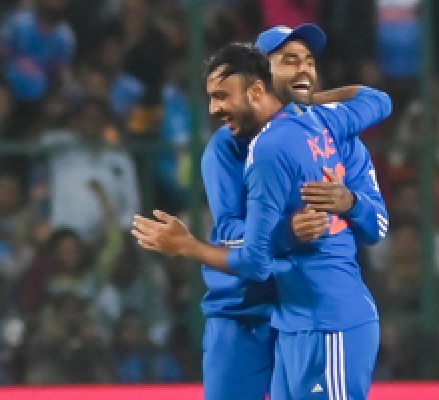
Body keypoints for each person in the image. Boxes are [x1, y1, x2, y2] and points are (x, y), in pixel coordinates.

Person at [132, 42, 392, 399]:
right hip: (249, 310)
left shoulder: (309, 135)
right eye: (288, 61)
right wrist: (286, 232)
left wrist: (350, 202)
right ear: (264, 77)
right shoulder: (228, 149)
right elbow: (230, 233)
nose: (302, 70)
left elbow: (376, 225)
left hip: (317, 312)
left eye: (308, 60)